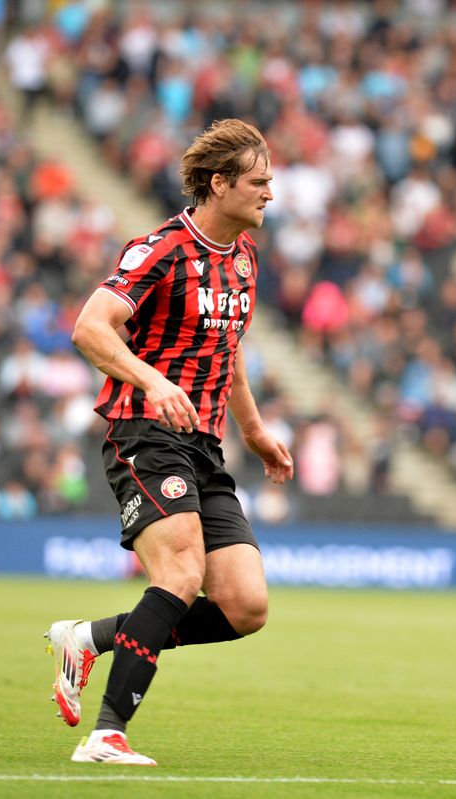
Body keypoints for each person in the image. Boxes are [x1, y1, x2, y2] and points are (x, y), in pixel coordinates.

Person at [44, 119, 294, 766]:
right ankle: (106, 734)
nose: (271, 193)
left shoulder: (243, 259)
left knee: (245, 605)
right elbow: (90, 327)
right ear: (220, 184)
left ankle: (89, 637)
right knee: (180, 573)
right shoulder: (160, 248)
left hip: (203, 444)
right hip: (144, 430)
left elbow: (229, 349)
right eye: (259, 182)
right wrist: (152, 381)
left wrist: (256, 430)